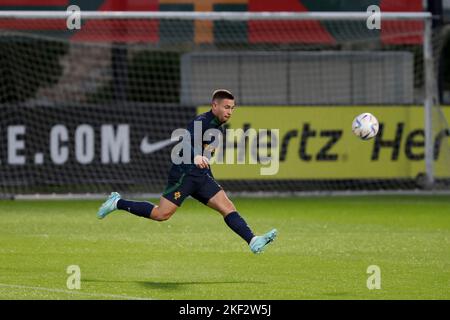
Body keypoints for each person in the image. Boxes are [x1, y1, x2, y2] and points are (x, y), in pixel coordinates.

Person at [97, 89, 277, 254]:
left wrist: (209, 176)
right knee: (162, 214)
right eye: (226, 107)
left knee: (227, 207)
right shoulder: (202, 121)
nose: (229, 112)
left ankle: (253, 240)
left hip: (201, 176)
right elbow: (186, 140)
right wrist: (196, 156)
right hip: (184, 175)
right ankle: (117, 202)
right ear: (214, 105)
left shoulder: (217, 126)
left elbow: (205, 156)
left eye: (232, 108)